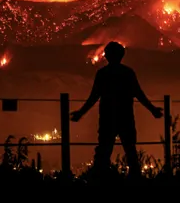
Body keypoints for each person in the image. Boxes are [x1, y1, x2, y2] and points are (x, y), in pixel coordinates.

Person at [70, 41, 163, 177]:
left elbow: (94, 97)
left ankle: (102, 181)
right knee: (130, 152)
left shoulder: (103, 74)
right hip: (126, 118)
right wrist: (153, 110)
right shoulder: (128, 73)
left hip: (107, 119)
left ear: (107, 56)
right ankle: (135, 181)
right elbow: (139, 94)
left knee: (104, 152)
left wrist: (80, 113)